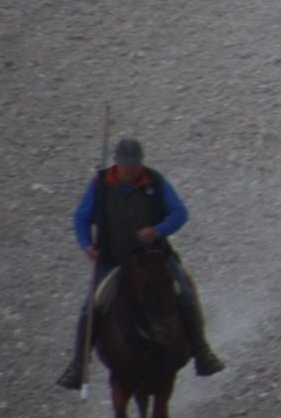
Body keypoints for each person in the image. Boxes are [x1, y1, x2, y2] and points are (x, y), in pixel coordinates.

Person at [56, 138, 225, 389]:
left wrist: (158, 230)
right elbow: (81, 218)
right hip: (112, 261)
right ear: (117, 163)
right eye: (127, 166)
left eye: (135, 165)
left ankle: (202, 352)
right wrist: (86, 244)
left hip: (154, 259)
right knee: (90, 308)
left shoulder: (155, 182)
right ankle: (79, 364)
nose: (131, 170)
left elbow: (180, 213)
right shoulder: (100, 185)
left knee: (186, 295)